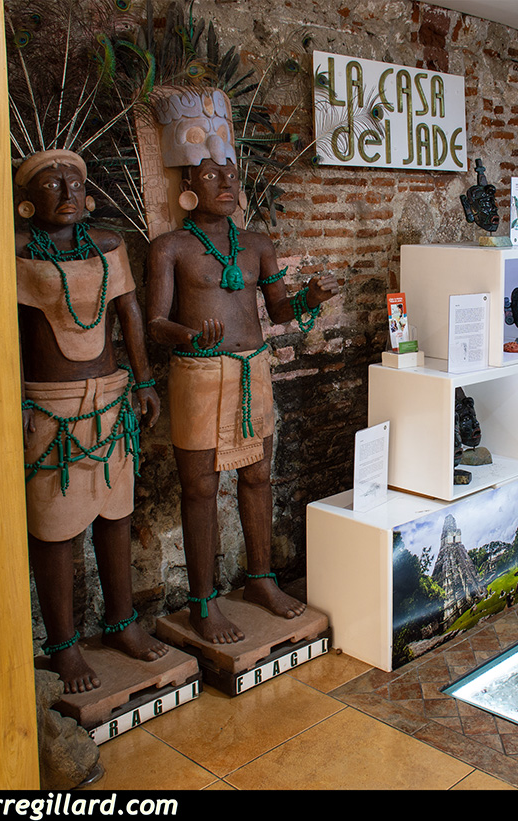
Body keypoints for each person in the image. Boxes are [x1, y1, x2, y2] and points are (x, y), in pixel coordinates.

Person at [147, 156, 337, 644]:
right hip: (198, 375)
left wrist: (309, 298)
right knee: (200, 488)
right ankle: (203, 603)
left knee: (256, 477)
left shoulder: (256, 244)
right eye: (212, 176)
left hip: (253, 370)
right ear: (188, 184)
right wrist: (190, 336)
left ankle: (260, 580)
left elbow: (278, 310)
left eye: (232, 175)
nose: (226, 183)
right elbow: (155, 324)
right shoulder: (170, 247)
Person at [15, 149, 166, 693]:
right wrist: (11, 400)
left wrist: (144, 380)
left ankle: (121, 622)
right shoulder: (15, 252)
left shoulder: (107, 245)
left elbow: (129, 314)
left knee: (116, 513)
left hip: (110, 399)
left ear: (90, 195)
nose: (67, 193)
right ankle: (64, 645)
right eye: (51, 185)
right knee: (53, 526)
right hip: (47, 405)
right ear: (26, 203)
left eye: (75, 183)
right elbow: (6, 331)